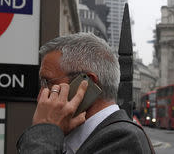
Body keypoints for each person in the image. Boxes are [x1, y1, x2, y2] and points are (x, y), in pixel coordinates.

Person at [16, 32, 154, 153]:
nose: (41, 96)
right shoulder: (72, 136)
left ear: (86, 84)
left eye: (48, 82)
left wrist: (44, 132)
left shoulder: (123, 139)